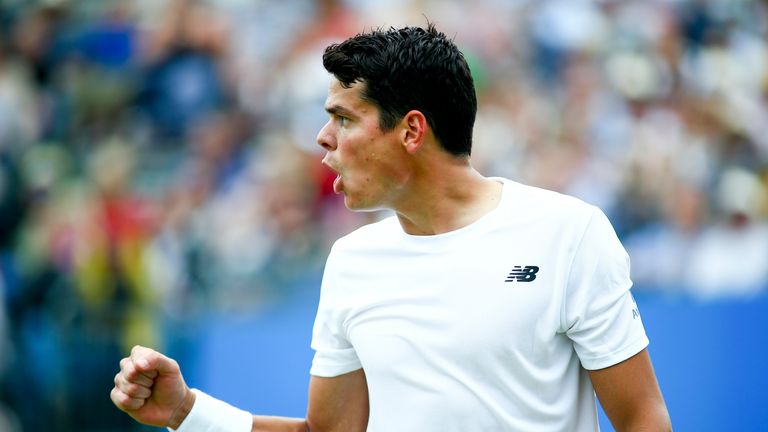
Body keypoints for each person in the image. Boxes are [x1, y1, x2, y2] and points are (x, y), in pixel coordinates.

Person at [111, 23, 671, 431]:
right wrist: (188, 412)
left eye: (343, 118)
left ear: (411, 131)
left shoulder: (569, 233)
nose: (322, 139)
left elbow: (643, 419)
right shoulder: (352, 261)